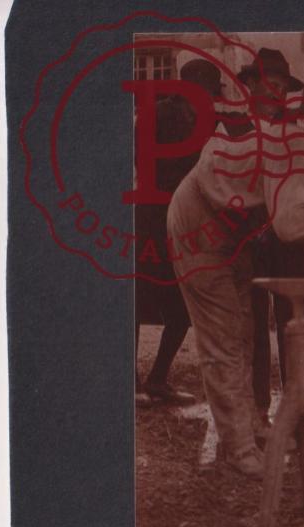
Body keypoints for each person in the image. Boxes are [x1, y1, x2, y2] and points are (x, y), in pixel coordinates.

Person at [168, 47, 304, 477]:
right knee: (222, 340)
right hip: (199, 221)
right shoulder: (297, 150)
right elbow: (291, 225)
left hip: (228, 226)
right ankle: (237, 448)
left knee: (243, 332)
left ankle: (250, 423)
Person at [134, 59, 225, 407]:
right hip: (163, 217)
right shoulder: (196, 122)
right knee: (151, 297)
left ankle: (155, 380)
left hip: (161, 216)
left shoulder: (155, 113)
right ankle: (145, 380)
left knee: (178, 303)